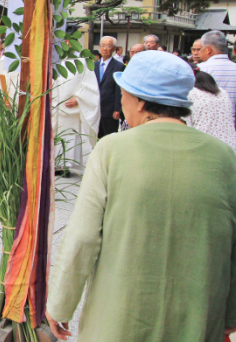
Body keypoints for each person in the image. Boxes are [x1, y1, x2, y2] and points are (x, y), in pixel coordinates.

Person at [46, 50, 236, 342]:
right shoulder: (223, 156)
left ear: (141, 101)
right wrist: (230, 314)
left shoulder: (112, 150)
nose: (122, 104)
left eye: (124, 96)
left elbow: (82, 237)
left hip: (119, 319)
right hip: (197, 318)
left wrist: (60, 305)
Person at [52, 57, 100, 174]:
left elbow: (90, 85)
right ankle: (52, 163)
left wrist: (78, 98)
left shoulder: (82, 61)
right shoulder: (52, 58)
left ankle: (65, 165)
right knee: (53, 133)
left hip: (70, 109)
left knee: (69, 134)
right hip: (52, 106)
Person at [185, 70, 236, 150]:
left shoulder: (189, 93)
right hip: (230, 143)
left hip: (204, 143)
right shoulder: (223, 92)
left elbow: (187, 123)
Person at [198, 30, 236, 121]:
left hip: (204, 123)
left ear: (208, 49)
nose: (199, 52)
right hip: (231, 126)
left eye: (200, 49)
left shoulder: (200, 69)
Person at [94, 36, 123, 137]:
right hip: (94, 109)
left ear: (114, 49)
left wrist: (117, 109)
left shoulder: (119, 66)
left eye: (108, 46)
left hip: (109, 110)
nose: (104, 48)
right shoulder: (94, 66)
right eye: (102, 46)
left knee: (109, 136)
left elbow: (118, 90)